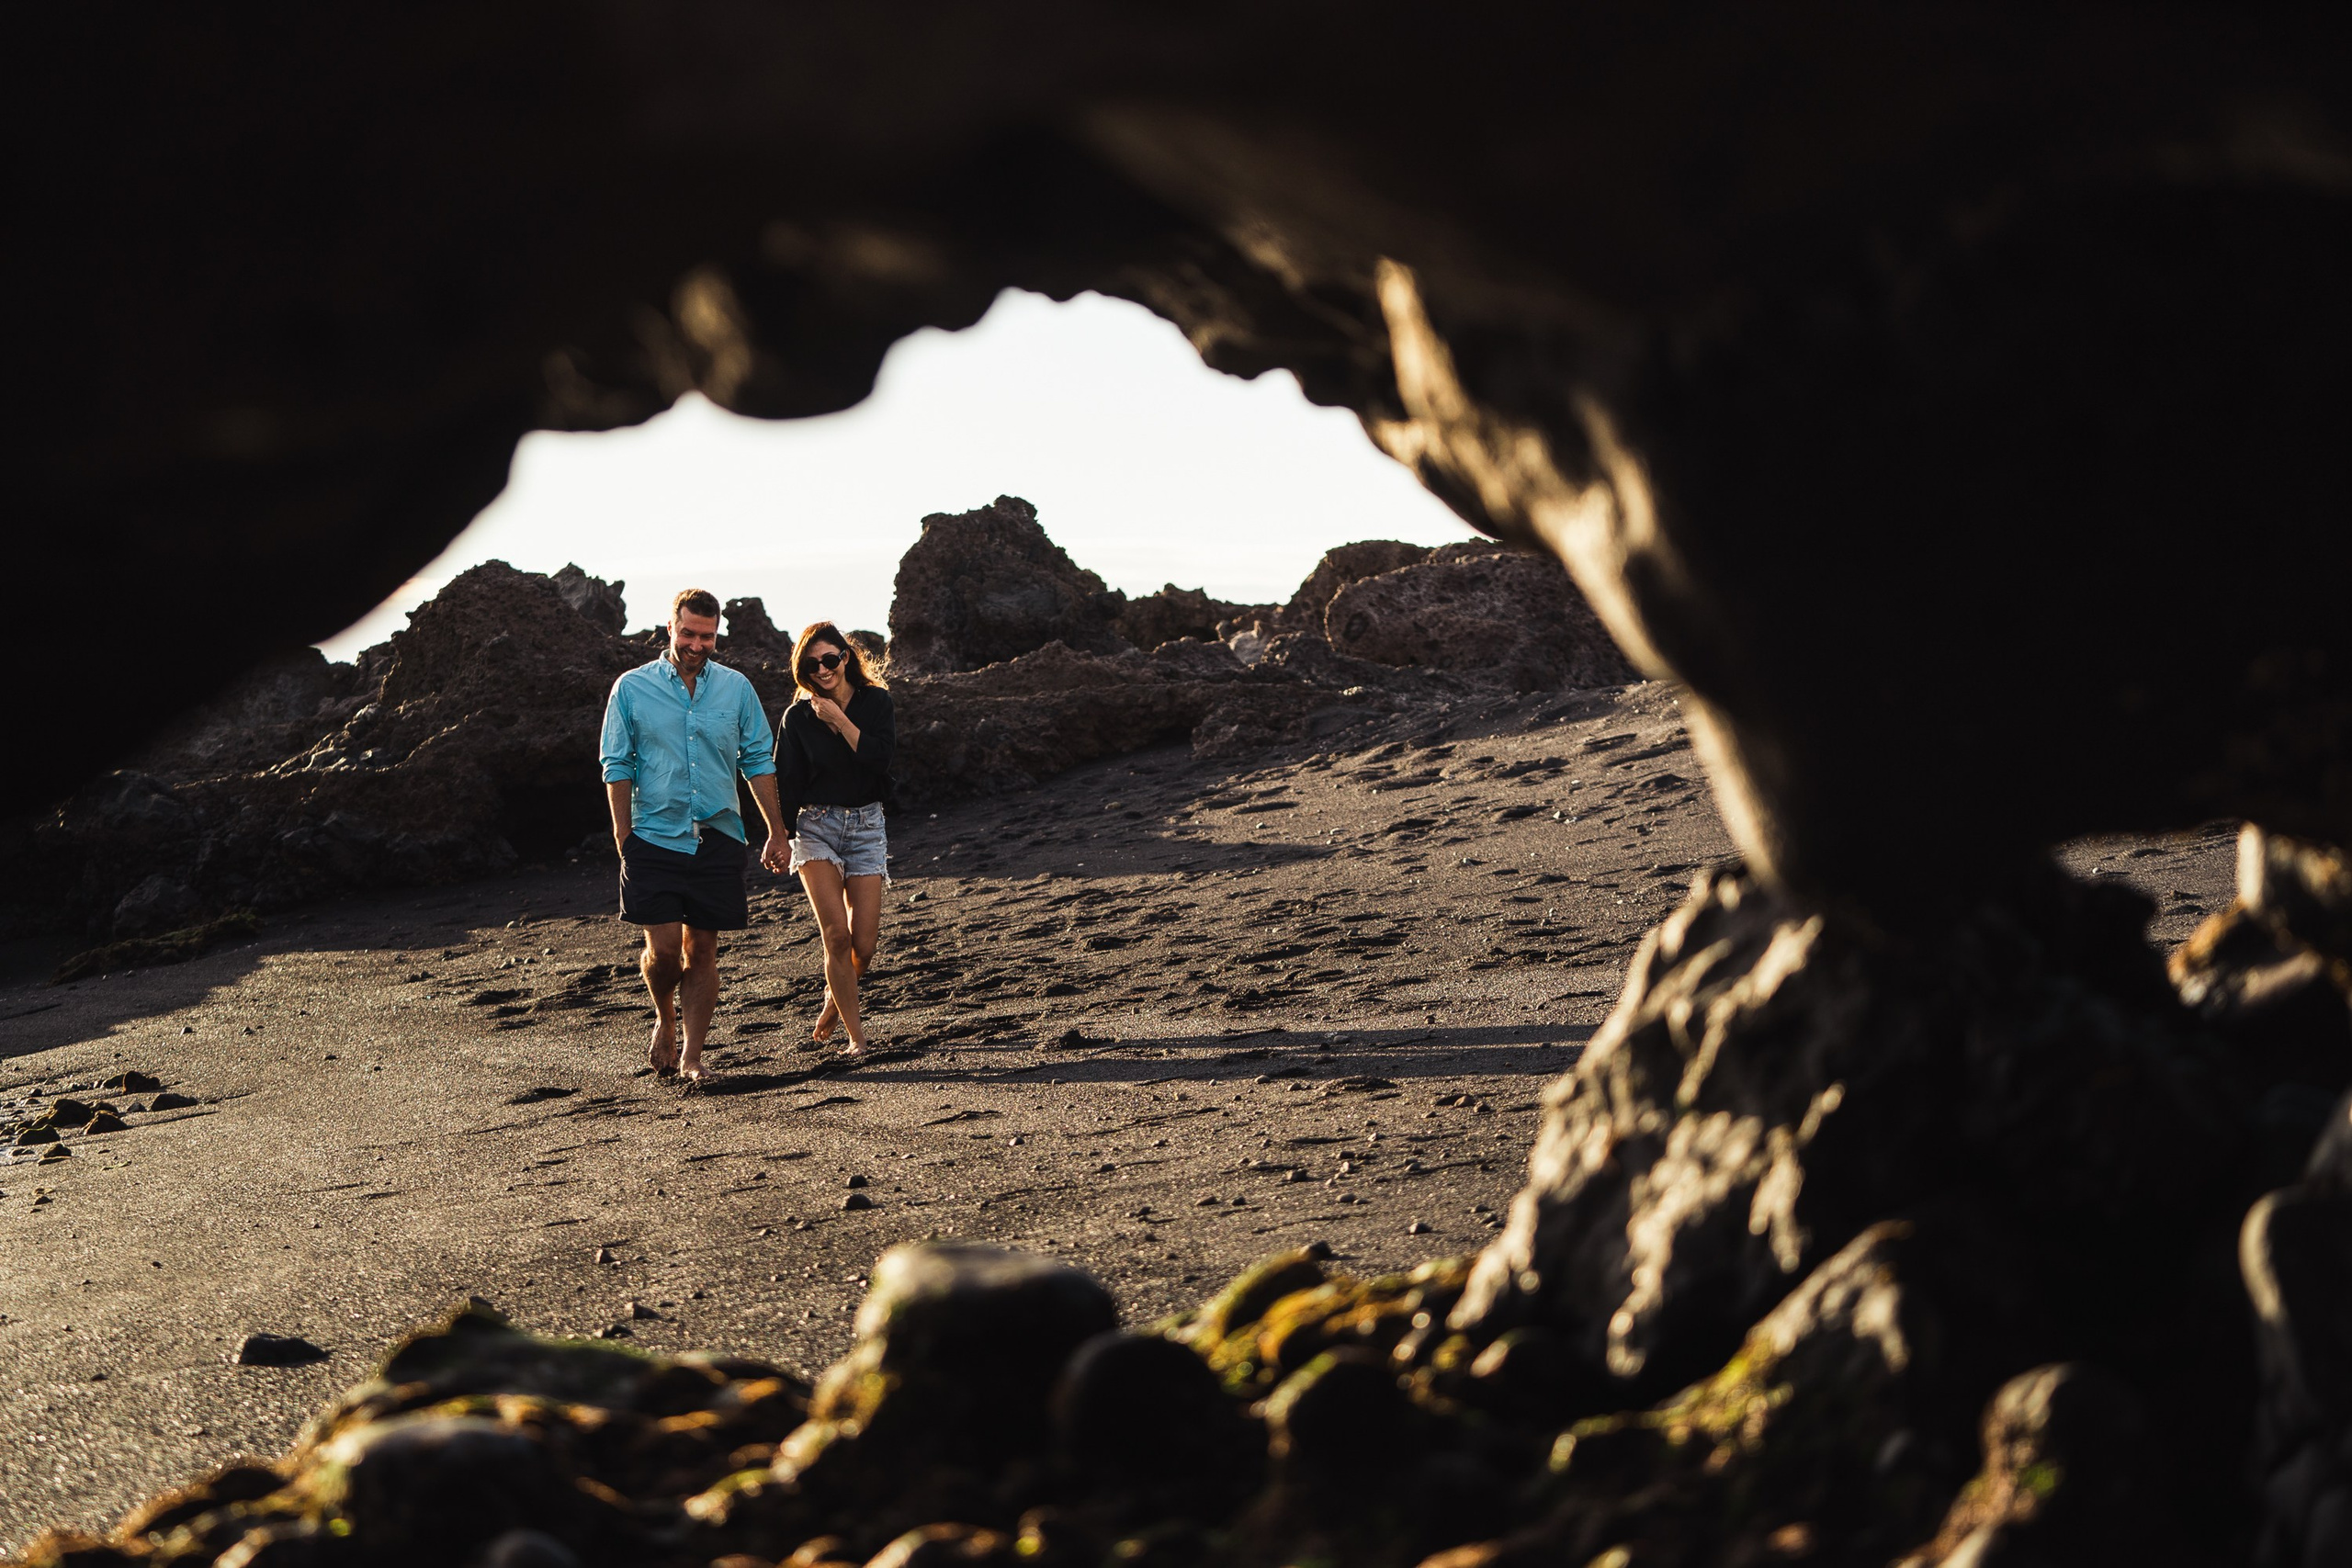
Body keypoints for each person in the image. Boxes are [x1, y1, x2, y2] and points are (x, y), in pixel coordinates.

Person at [599, 588, 792, 1083]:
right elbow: (617, 763)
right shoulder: (632, 688)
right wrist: (623, 833)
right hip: (654, 837)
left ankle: (692, 1054)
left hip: (719, 836)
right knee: (663, 952)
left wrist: (776, 831)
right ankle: (664, 1016)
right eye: (688, 633)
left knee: (702, 950)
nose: (697, 644)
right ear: (671, 629)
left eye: (707, 636)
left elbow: (758, 760)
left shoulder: (735, 689)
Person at [776, 622, 897, 1054]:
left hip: (866, 827)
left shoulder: (876, 702)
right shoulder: (796, 718)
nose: (823, 670)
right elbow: (786, 781)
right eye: (812, 665)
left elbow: (878, 760)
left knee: (863, 945)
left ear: (845, 657)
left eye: (830, 659)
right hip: (815, 829)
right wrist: (779, 834)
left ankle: (833, 1002)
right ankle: (857, 1039)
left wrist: (839, 718)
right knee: (836, 937)